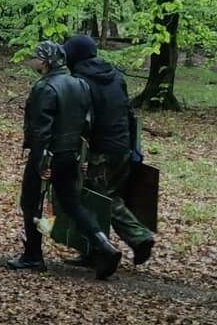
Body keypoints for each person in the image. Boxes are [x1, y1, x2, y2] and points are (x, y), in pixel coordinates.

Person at [7, 41, 121, 279]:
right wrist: (83, 156)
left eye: (35, 57)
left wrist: (40, 163)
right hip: (71, 156)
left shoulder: (45, 88)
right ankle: (103, 244)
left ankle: (32, 255)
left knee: (31, 202)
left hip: (50, 156)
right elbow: (87, 124)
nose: (31, 61)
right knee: (71, 203)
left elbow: (41, 131)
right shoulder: (79, 84)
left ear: (46, 61)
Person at [63, 35, 155, 266]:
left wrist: (76, 148)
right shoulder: (115, 75)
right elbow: (126, 110)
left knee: (102, 197)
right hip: (122, 144)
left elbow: (84, 119)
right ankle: (94, 250)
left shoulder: (80, 80)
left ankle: (139, 237)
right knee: (95, 198)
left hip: (100, 149)